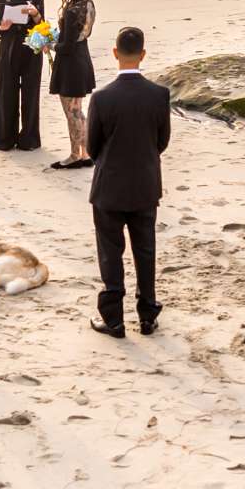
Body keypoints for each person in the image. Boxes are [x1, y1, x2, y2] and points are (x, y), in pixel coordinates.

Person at [86, 25, 170, 338]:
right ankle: (147, 315)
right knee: (145, 250)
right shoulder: (159, 95)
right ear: (143, 54)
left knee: (110, 252)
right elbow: (162, 141)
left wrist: (110, 161)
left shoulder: (102, 97)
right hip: (145, 183)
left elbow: (92, 145)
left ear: (115, 54)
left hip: (109, 185)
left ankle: (114, 318)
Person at [0, 0, 46, 151]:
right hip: (9, 46)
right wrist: (2, 27)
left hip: (31, 46)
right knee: (6, 92)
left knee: (31, 93)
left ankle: (29, 138)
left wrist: (36, 14)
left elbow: (42, 26)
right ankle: (4, 138)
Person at [47, 0, 98, 170]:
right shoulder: (89, 5)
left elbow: (66, 48)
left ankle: (75, 155)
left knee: (72, 112)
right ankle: (85, 153)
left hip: (70, 66)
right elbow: (79, 37)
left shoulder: (71, 11)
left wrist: (49, 44)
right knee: (78, 111)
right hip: (83, 59)